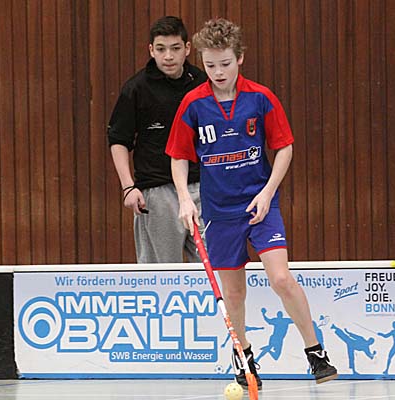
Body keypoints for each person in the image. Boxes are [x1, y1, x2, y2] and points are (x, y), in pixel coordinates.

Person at [166, 17, 338, 388]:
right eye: (210, 65)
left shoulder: (260, 98)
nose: (218, 72)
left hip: (260, 204)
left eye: (225, 63)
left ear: (240, 58)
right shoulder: (193, 103)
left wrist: (268, 192)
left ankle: (315, 352)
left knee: (281, 278)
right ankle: (243, 355)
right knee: (234, 292)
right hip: (219, 211)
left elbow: (284, 147)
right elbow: (178, 155)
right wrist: (184, 198)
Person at [107, 16, 207, 263]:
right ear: (151, 50)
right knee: (160, 273)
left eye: (175, 48)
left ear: (187, 48)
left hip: (201, 188)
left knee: (213, 267)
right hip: (156, 190)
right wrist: (128, 187)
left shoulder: (202, 84)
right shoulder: (136, 88)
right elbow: (119, 140)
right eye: (161, 49)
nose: (168, 56)